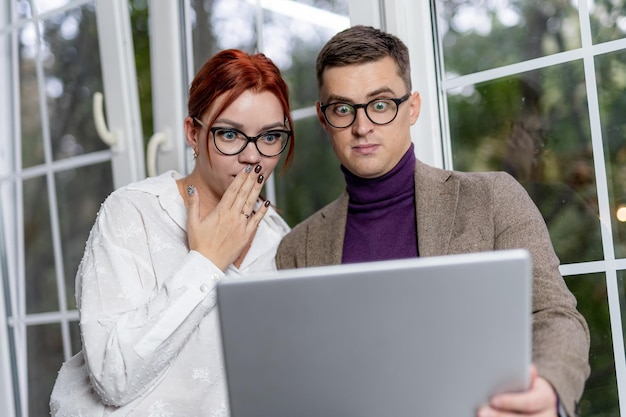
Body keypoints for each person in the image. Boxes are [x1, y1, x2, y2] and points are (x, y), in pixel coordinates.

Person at [276, 25, 589, 417]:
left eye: (380, 103)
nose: (361, 126)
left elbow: (554, 316)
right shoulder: (298, 249)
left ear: (413, 107)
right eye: (343, 108)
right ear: (324, 120)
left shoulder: (493, 198)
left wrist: (547, 388)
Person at [50, 49, 293, 416]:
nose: (252, 157)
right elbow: (113, 378)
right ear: (193, 134)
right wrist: (206, 263)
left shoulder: (279, 239)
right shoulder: (134, 213)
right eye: (230, 134)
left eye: (270, 137)